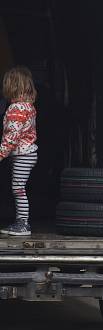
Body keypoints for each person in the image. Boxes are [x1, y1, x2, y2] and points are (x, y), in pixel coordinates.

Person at [0, 66, 38, 236]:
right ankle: (20, 221)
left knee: (18, 188)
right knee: (18, 187)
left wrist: (1, 153)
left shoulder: (17, 109)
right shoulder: (27, 106)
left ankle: (23, 223)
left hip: (23, 155)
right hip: (26, 154)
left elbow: (12, 136)